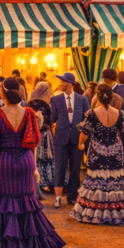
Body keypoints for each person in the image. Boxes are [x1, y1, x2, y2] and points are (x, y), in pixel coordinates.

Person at [0, 77, 65, 248]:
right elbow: (33, 143)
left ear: (4, 95)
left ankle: (8, 247)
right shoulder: (29, 113)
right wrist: (34, 167)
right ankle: (31, 245)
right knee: (27, 201)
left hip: (5, 161)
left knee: (6, 202)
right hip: (26, 160)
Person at [70, 84, 124, 225]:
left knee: (96, 181)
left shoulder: (92, 113)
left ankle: (95, 212)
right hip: (115, 150)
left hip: (97, 150)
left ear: (98, 97)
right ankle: (116, 213)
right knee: (115, 181)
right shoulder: (119, 114)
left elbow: (84, 132)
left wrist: (81, 144)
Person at [49, 72, 91, 209]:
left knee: (75, 169)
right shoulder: (55, 100)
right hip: (61, 138)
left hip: (77, 138)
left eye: (63, 81)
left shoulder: (82, 99)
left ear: (71, 84)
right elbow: (53, 118)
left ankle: (72, 196)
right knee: (59, 167)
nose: (60, 83)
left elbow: (87, 117)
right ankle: (58, 197)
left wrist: (84, 134)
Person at [28, 81, 55, 194]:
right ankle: (48, 183)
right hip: (45, 134)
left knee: (36, 160)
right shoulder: (47, 103)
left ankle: (36, 183)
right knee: (47, 160)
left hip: (34, 133)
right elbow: (51, 120)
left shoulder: (30, 103)